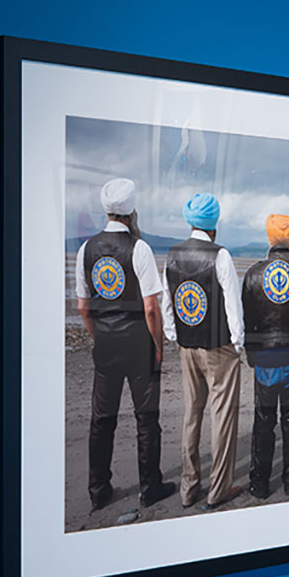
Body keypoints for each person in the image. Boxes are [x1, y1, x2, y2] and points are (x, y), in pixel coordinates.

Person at [76, 178, 176, 511]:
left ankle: (98, 489)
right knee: (146, 419)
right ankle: (149, 487)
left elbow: (83, 307)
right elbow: (151, 307)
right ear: (132, 211)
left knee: (101, 420)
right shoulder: (140, 248)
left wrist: (98, 336)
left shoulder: (85, 249)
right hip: (138, 348)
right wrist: (158, 345)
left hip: (105, 347)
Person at [162, 193, 245, 511]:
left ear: (190, 220)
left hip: (187, 346)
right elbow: (232, 305)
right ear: (214, 223)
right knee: (222, 416)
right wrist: (237, 342)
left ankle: (188, 487)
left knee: (191, 415)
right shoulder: (220, 256)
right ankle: (218, 490)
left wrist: (174, 335)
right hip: (219, 348)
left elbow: (168, 302)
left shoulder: (171, 255)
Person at [241, 215, 289, 498]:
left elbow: (248, 319)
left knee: (263, 422)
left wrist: (251, 355)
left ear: (269, 237)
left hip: (265, 360)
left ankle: (259, 483)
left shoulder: (252, 274)